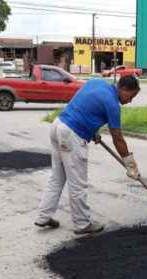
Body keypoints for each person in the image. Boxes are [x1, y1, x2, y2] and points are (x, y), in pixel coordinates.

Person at [35, 75, 141, 234]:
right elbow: (117, 138)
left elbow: (86, 106)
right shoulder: (113, 104)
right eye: (131, 96)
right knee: (77, 183)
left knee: (56, 178)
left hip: (58, 125)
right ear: (123, 89)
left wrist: (92, 131)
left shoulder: (96, 82)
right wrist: (130, 164)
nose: (130, 100)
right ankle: (82, 224)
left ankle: (43, 216)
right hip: (72, 135)